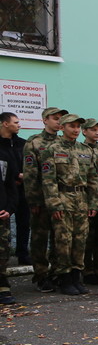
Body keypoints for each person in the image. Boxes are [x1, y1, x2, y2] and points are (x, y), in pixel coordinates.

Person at [40, 114, 98, 295]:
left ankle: (76, 277)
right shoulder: (51, 149)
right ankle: (64, 278)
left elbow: (92, 179)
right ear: (62, 127)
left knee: (80, 240)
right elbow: (48, 180)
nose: (75, 130)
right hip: (62, 198)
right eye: (71, 126)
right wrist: (54, 204)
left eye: (77, 127)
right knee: (63, 241)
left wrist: (94, 202)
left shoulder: (85, 150)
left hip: (81, 200)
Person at [23, 106, 66, 291]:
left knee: (60, 238)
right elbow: (30, 175)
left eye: (60, 119)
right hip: (41, 198)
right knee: (40, 238)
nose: (58, 121)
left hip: (61, 198)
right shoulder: (34, 143)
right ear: (45, 120)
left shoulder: (64, 143)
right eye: (55, 118)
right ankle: (41, 274)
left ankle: (57, 272)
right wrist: (33, 201)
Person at [81, 118, 98, 284]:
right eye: (93, 130)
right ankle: (87, 269)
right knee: (87, 238)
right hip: (84, 199)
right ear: (85, 132)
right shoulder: (79, 150)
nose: (97, 133)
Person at [0, 112, 29, 268]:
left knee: (24, 222)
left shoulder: (22, 144)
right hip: (5, 191)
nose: (19, 125)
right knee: (4, 224)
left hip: (22, 189)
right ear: (5, 123)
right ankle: (4, 256)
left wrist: (24, 175)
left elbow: (29, 164)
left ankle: (23, 253)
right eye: (16, 122)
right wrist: (13, 175)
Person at [0, 119, 19, 304]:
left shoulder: (5, 152)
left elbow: (11, 184)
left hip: (2, 212)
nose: (18, 124)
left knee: (2, 252)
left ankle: (3, 286)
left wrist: (10, 209)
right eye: (15, 122)